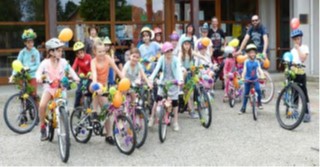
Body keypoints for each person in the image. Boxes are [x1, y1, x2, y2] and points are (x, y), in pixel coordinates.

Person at [36, 38, 80, 141]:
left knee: (65, 108)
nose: (61, 53)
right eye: (58, 50)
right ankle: (42, 127)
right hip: (49, 88)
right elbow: (38, 72)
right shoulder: (45, 63)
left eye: (61, 50)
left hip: (60, 88)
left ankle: (63, 124)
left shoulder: (63, 62)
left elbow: (70, 70)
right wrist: (39, 77)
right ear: (51, 52)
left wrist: (76, 78)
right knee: (42, 105)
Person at [89, 39, 124, 145]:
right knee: (97, 87)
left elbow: (117, 70)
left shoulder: (108, 58)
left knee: (107, 111)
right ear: (95, 52)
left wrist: (124, 79)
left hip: (104, 87)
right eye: (100, 52)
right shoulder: (93, 61)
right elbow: (94, 74)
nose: (102, 53)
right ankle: (94, 112)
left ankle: (108, 135)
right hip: (93, 84)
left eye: (104, 51)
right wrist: (96, 85)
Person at [148, 42, 183, 131]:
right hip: (164, 81)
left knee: (175, 102)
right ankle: (152, 117)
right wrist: (151, 78)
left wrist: (180, 80)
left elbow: (179, 70)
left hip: (174, 81)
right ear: (164, 52)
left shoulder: (175, 59)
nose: (169, 53)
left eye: (170, 51)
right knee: (157, 99)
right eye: (167, 51)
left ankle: (175, 122)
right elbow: (156, 69)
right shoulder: (161, 59)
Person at [179, 36, 210, 119]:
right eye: (185, 44)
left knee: (191, 94)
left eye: (188, 44)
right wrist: (182, 68)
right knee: (188, 93)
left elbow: (199, 55)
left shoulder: (191, 52)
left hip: (190, 73)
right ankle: (180, 89)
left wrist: (206, 61)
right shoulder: (181, 53)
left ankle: (192, 110)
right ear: (182, 45)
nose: (187, 46)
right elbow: (179, 63)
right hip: (183, 73)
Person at [10, 28, 40, 101]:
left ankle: (36, 110)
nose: (31, 44)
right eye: (28, 42)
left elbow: (37, 65)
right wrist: (13, 74)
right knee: (24, 93)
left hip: (32, 75)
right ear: (25, 43)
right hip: (24, 76)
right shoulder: (22, 52)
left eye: (32, 42)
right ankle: (23, 107)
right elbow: (17, 63)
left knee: (33, 94)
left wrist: (29, 68)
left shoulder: (36, 52)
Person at [290, 29, 311, 122]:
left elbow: (302, 59)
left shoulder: (305, 47)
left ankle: (306, 113)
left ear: (301, 38)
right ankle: (295, 112)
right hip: (294, 73)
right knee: (294, 93)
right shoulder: (292, 51)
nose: (296, 41)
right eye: (295, 39)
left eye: (298, 38)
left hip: (301, 74)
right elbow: (292, 62)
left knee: (304, 93)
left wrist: (298, 48)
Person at [239, 44, 265, 114]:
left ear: (255, 53)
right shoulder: (246, 62)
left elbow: (259, 69)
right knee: (246, 93)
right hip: (247, 80)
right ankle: (243, 108)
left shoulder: (257, 62)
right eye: (250, 52)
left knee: (258, 90)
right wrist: (242, 77)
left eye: (253, 52)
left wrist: (262, 75)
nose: (252, 54)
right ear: (247, 54)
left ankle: (259, 102)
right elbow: (244, 70)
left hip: (255, 79)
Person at [72, 41, 92, 108]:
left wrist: (91, 73)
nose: (80, 55)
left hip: (90, 77)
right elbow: (73, 68)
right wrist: (70, 74)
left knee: (90, 91)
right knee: (78, 92)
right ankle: (76, 108)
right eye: (78, 54)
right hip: (82, 77)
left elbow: (93, 66)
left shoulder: (88, 57)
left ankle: (90, 105)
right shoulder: (77, 59)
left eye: (81, 52)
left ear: (84, 51)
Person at [208, 17, 227, 88]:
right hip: (213, 53)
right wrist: (210, 49)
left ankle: (223, 83)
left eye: (216, 22)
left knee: (222, 68)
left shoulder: (220, 30)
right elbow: (207, 40)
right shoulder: (209, 31)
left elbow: (225, 38)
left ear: (217, 23)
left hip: (220, 53)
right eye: (213, 22)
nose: (214, 23)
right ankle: (213, 84)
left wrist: (224, 46)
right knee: (213, 68)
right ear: (211, 23)